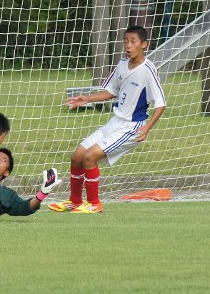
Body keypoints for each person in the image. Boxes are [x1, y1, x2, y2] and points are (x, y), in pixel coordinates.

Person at [48, 25, 166, 214]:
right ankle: (75, 201)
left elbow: (161, 103)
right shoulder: (122, 64)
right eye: (126, 41)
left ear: (144, 44)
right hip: (115, 122)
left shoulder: (148, 69)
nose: (128, 45)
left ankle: (94, 203)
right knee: (77, 156)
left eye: (133, 42)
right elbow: (111, 91)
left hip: (132, 127)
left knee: (90, 156)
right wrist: (86, 99)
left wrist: (148, 127)